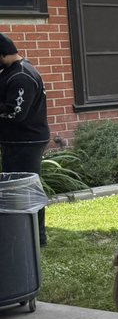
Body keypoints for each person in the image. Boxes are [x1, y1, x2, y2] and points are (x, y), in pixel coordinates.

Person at [0, 32, 49, 246]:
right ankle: (24, 233)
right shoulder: (12, 71)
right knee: (19, 188)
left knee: (26, 188)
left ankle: (36, 237)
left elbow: (16, 113)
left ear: (2, 55)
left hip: (26, 141)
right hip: (17, 141)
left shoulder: (21, 76)